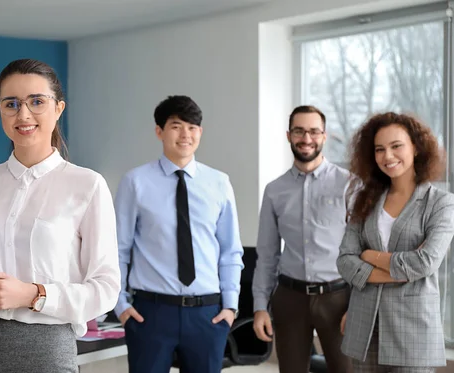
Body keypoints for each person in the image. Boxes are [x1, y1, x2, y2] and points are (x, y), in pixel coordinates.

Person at [0, 58, 121, 373]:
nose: (23, 114)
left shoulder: (87, 185)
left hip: (44, 352)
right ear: (0, 111)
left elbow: (105, 289)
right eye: (11, 104)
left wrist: (32, 294)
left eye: (37, 102)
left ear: (59, 108)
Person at [113, 95, 244, 373]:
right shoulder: (135, 182)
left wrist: (230, 306)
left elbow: (231, 250)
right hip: (151, 313)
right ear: (159, 131)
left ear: (201, 132)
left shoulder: (219, 183)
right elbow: (118, 249)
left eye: (192, 127)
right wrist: (120, 304)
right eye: (176, 126)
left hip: (207, 315)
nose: (185, 134)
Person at [337, 112, 454, 372]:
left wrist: (369, 256)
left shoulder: (441, 203)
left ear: (416, 147)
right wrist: (401, 272)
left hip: (412, 332)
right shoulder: (364, 200)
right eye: (380, 149)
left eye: (396, 146)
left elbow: (425, 263)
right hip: (365, 328)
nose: (387, 156)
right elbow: (345, 260)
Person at [252, 105, 354, 373]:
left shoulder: (350, 185)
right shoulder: (275, 190)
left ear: (324, 136)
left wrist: (358, 305)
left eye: (313, 131)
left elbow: (362, 249)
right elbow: (267, 254)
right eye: (299, 131)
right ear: (289, 135)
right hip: (290, 298)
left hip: (338, 296)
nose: (306, 139)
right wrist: (260, 306)